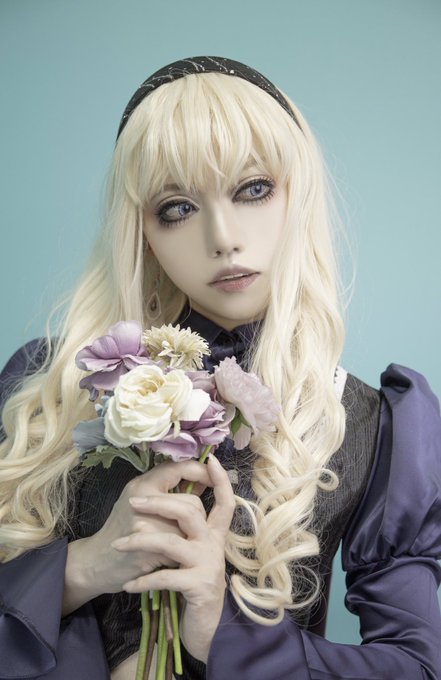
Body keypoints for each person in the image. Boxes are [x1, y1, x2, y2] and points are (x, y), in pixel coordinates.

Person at [0, 56, 440, 680]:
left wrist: (223, 631)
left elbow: (416, 667)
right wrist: (83, 569)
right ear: (142, 232)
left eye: (253, 189)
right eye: (177, 207)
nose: (223, 237)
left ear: (297, 196)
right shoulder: (48, 389)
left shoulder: (378, 424)